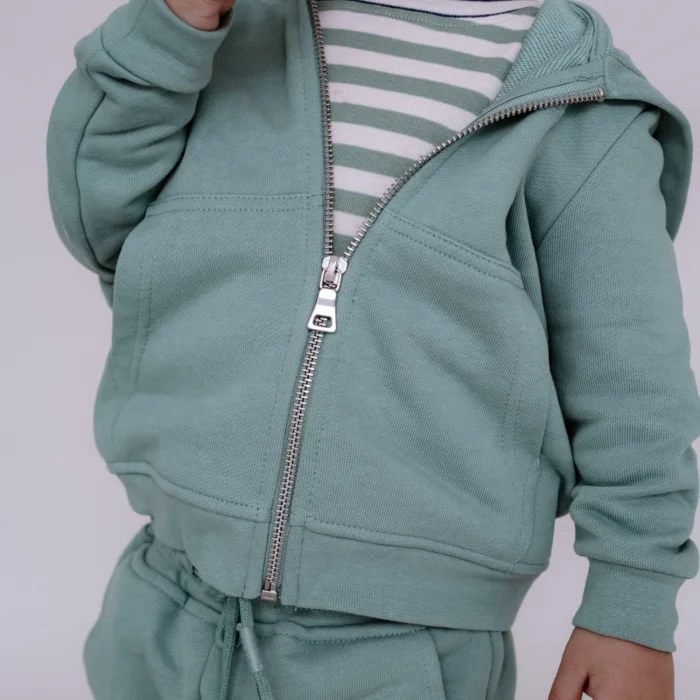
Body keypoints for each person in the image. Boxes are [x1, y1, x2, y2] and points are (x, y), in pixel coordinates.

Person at [46, 0, 700, 697]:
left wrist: (631, 604)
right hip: (162, 605)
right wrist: (172, 28)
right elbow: (97, 220)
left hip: (406, 650)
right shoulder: (226, 34)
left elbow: (633, 391)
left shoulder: (580, 107)